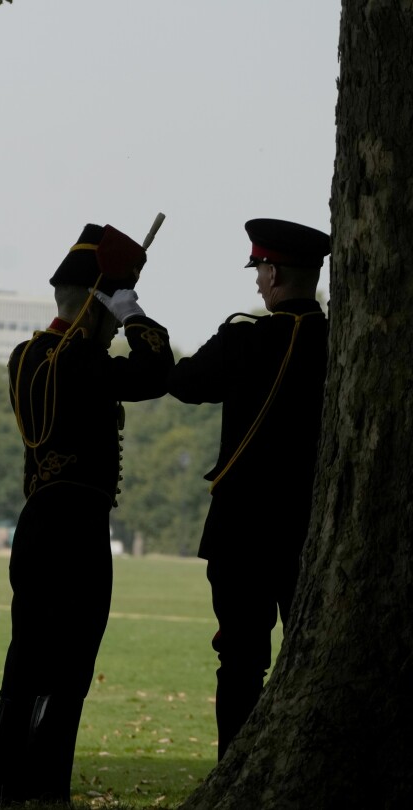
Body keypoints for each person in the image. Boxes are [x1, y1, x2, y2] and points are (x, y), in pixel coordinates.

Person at [0, 224, 171, 806]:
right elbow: (155, 371)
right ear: (97, 302)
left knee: (25, 660)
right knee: (68, 669)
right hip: (77, 529)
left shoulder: (26, 355)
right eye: (111, 308)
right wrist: (136, 314)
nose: (117, 324)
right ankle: (46, 790)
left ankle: (4, 788)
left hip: (36, 524)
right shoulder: (85, 360)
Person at [165, 218, 331, 760]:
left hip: (242, 530)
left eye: (260, 269)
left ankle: (233, 763)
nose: (258, 281)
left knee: (240, 658)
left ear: (275, 270)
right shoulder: (335, 341)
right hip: (312, 524)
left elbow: (185, 384)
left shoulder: (245, 337)